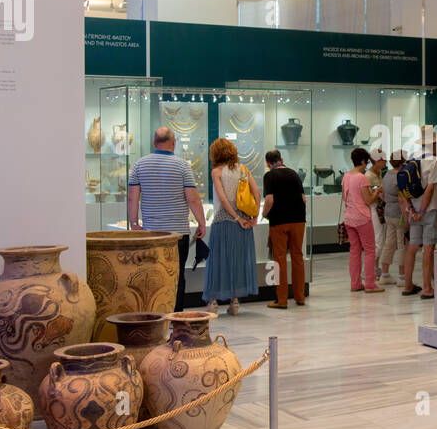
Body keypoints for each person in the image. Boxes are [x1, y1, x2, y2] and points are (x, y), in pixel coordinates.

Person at [127, 126, 205, 311]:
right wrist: (201, 223)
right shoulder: (182, 166)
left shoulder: (140, 164)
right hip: (177, 232)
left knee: (150, 274)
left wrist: (134, 223)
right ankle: (175, 313)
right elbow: (192, 198)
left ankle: (153, 312)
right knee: (176, 274)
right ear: (174, 142)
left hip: (152, 233)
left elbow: (132, 196)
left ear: (154, 143)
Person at [203, 138, 260, 315]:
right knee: (238, 260)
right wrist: (254, 216)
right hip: (244, 221)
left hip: (224, 220)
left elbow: (222, 198)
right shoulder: (243, 170)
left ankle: (212, 301)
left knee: (219, 260)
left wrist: (235, 217)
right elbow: (257, 193)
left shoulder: (217, 172)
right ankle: (234, 301)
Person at [262, 149, 307, 309]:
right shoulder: (294, 173)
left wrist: (264, 214)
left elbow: (269, 199)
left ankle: (281, 300)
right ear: (281, 159)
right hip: (298, 220)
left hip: (279, 221)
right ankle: (300, 296)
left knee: (279, 259)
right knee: (298, 257)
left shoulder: (269, 176)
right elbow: (303, 198)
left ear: (268, 163)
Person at [401, 126, 437, 298]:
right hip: (429, 209)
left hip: (413, 209)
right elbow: (431, 189)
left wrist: (412, 209)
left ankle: (408, 285)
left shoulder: (411, 158)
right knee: (428, 248)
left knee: (412, 246)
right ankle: (427, 288)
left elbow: (404, 186)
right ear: (433, 142)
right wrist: (422, 211)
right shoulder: (434, 160)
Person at [342, 147, 383, 293]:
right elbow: (369, 200)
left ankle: (355, 283)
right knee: (370, 250)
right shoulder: (362, 178)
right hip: (362, 218)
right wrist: (377, 191)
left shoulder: (346, 176)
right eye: (366, 162)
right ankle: (371, 284)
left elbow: (345, 197)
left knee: (354, 251)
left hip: (349, 217)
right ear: (362, 161)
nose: (367, 165)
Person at [379, 151, 407, 285]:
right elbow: (402, 200)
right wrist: (406, 217)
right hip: (399, 213)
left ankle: (384, 274)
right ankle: (402, 276)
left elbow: (382, 195)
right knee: (402, 245)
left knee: (389, 243)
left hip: (388, 211)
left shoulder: (387, 174)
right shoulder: (402, 176)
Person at [367, 147, 390, 286]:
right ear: (377, 160)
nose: (385, 161)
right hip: (374, 209)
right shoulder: (369, 176)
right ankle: (372, 269)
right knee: (378, 240)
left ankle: (374, 268)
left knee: (380, 239)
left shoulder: (379, 172)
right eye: (383, 159)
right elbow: (370, 195)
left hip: (380, 208)